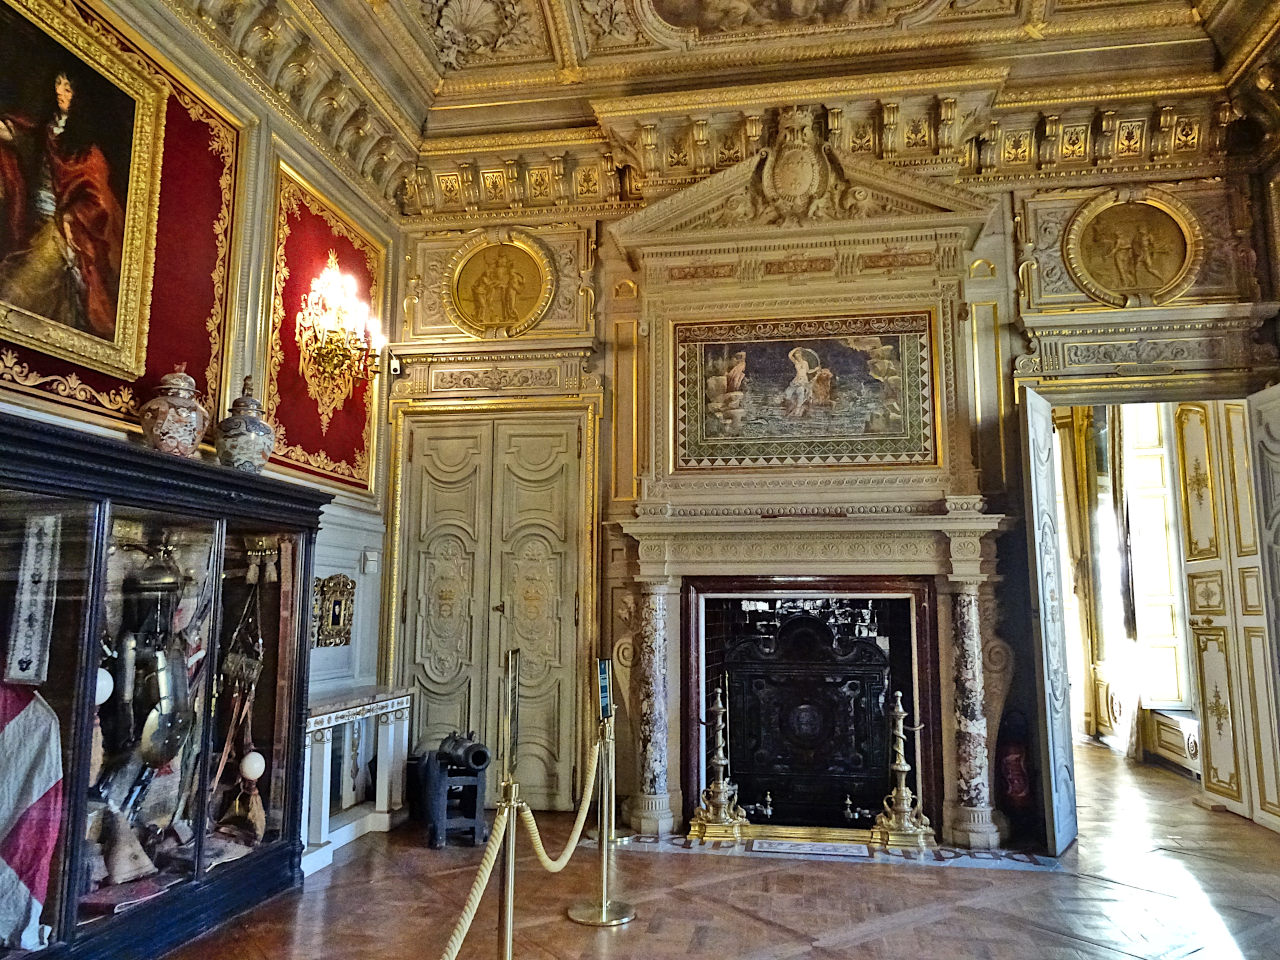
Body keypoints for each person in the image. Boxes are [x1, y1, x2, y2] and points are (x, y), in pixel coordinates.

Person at [0, 70, 125, 339]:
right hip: (33, 216)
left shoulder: (88, 153)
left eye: (68, 88)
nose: (60, 91)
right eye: (58, 84)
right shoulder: (46, 129)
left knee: (20, 289)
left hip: (64, 227)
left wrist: (70, 218)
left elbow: (98, 201)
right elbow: (26, 141)